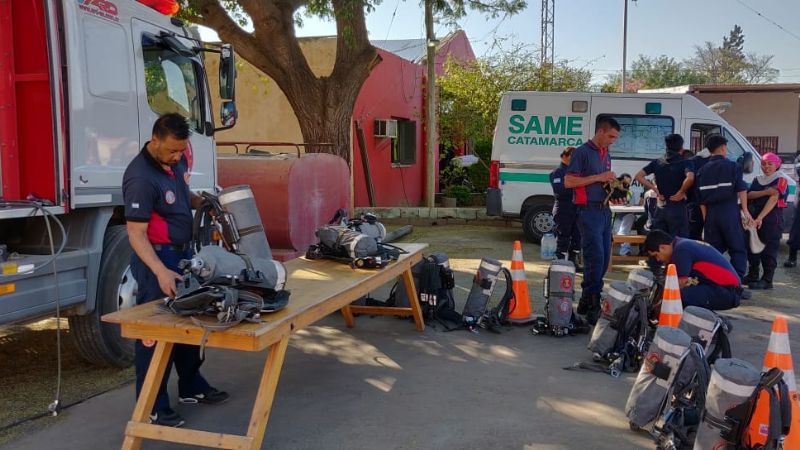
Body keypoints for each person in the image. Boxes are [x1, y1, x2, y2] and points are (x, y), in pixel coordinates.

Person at [122, 113, 229, 428]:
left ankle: (191, 385)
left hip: (183, 257)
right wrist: (160, 272)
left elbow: (182, 196)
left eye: (181, 151)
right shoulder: (140, 177)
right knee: (154, 335)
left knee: (188, 325)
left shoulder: (175, 162)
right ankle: (152, 405)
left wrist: (204, 201)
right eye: (171, 150)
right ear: (155, 140)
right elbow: (136, 234)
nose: (177, 156)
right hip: (157, 262)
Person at [564, 117, 620, 325]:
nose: (613, 141)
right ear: (600, 132)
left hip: (604, 210)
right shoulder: (582, 152)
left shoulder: (606, 153)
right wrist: (599, 177)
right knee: (594, 256)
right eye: (611, 136)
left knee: (604, 258)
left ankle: (588, 297)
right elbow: (569, 181)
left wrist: (615, 190)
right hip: (588, 212)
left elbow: (602, 181)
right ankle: (593, 300)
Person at [695, 134, 752, 281]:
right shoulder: (734, 166)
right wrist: (745, 211)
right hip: (729, 212)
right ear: (723, 148)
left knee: (713, 251)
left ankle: (711, 280)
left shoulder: (701, 170)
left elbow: (701, 200)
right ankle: (736, 282)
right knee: (738, 249)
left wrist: (706, 220)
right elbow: (742, 189)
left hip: (711, 214)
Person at [644, 230, 742, 311]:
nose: (658, 260)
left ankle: (716, 325)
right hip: (722, 288)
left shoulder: (681, 250)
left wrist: (656, 307)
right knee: (685, 293)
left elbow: (678, 284)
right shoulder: (681, 244)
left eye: (656, 255)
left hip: (728, 291)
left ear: (663, 247)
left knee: (677, 297)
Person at [634, 133, 694, 238]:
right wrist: (681, 192)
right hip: (678, 208)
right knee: (679, 242)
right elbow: (690, 178)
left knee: (660, 242)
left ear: (666, 147)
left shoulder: (657, 162)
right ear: (681, 148)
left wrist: (654, 189)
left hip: (660, 207)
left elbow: (638, 176)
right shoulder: (686, 163)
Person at [744, 152, 788, 289]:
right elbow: (749, 194)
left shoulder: (781, 179)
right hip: (754, 218)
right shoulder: (758, 179)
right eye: (763, 164)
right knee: (752, 247)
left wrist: (760, 218)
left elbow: (774, 198)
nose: (766, 167)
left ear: (777, 165)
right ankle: (753, 274)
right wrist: (765, 191)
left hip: (771, 219)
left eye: (770, 164)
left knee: (769, 250)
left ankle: (767, 280)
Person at [549, 146, 581, 264]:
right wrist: (576, 185)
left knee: (578, 237)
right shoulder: (558, 172)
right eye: (572, 157)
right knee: (563, 237)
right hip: (563, 209)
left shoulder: (577, 173)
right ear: (564, 157)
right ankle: (560, 262)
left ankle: (573, 262)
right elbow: (559, 190)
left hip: (577, 209)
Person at [610, 174, 636, 256]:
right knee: (624, 225)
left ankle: (623, 243)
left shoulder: (630, 193)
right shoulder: (611, 191)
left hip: (625, 216)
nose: (626, 185)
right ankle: (624, 250)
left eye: (628, 183)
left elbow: (632, 207)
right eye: (624, 183)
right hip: (612, 219)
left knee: (630, 217)